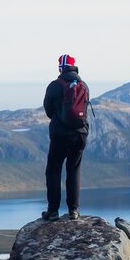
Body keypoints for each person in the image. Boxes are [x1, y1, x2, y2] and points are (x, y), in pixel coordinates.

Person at [42, 53, 90, 220]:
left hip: (61, 135)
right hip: (80, 134)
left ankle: (53, 211)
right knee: (73, 170)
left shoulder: (55, 85)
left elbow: (48, 109)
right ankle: (74, 211)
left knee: (54, 170)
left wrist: (59, 119)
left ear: (61, 68)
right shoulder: (84, 85)